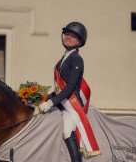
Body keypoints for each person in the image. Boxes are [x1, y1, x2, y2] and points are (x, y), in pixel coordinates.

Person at [39, 22, 100, 162]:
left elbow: (70, 87)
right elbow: (58, 89)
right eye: (67, 34)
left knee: (66, 131)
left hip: (71, 105)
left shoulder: (77, 59)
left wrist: (51, 102)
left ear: (79, 42)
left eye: (73, 36)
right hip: (61, 101)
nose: (69, 37)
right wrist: (41, 98)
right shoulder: (63, 59)